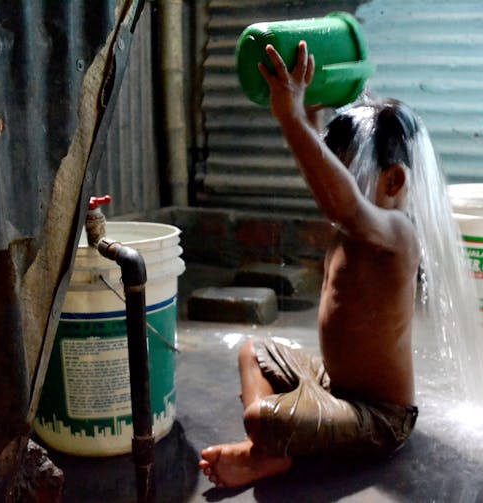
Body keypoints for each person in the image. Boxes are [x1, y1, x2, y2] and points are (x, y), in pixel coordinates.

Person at [199, 40, 421, 489]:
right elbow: (329, 185)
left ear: (393, 179)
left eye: (350, 174)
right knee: (252, 352)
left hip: (378, 417)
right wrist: (312, 114)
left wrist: (291, 119)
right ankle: (272, 449)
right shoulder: (352, 222)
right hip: (331, 383)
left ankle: (266, 454)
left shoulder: (396, 234)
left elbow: (344, 203)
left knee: (261, 417)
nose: (334, 190)